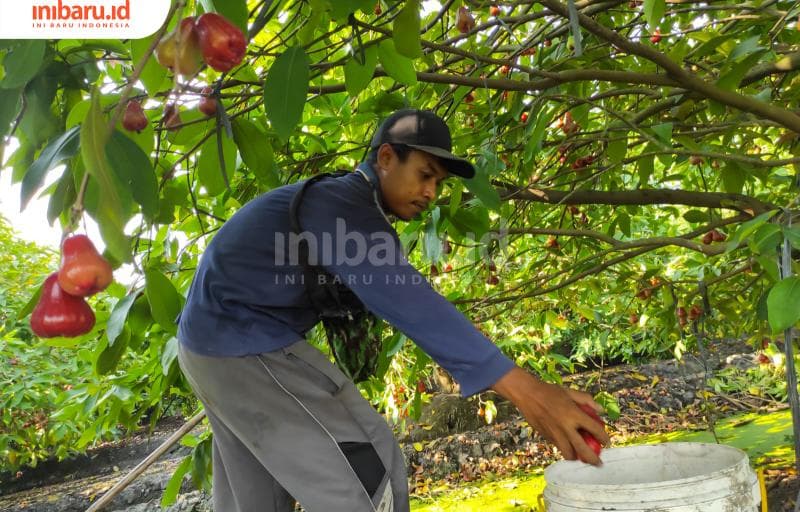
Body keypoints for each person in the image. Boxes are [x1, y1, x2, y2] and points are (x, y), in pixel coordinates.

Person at [176, 108, 609, 512]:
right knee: (368, 468)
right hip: (242, 342)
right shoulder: (342, 204)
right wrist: (528, 390)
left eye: (439, 183)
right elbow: (412, 303)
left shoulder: (342, 206)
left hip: (209, 351)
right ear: (386, 158)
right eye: (425, 174)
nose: (431, 193)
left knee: (255, 500)